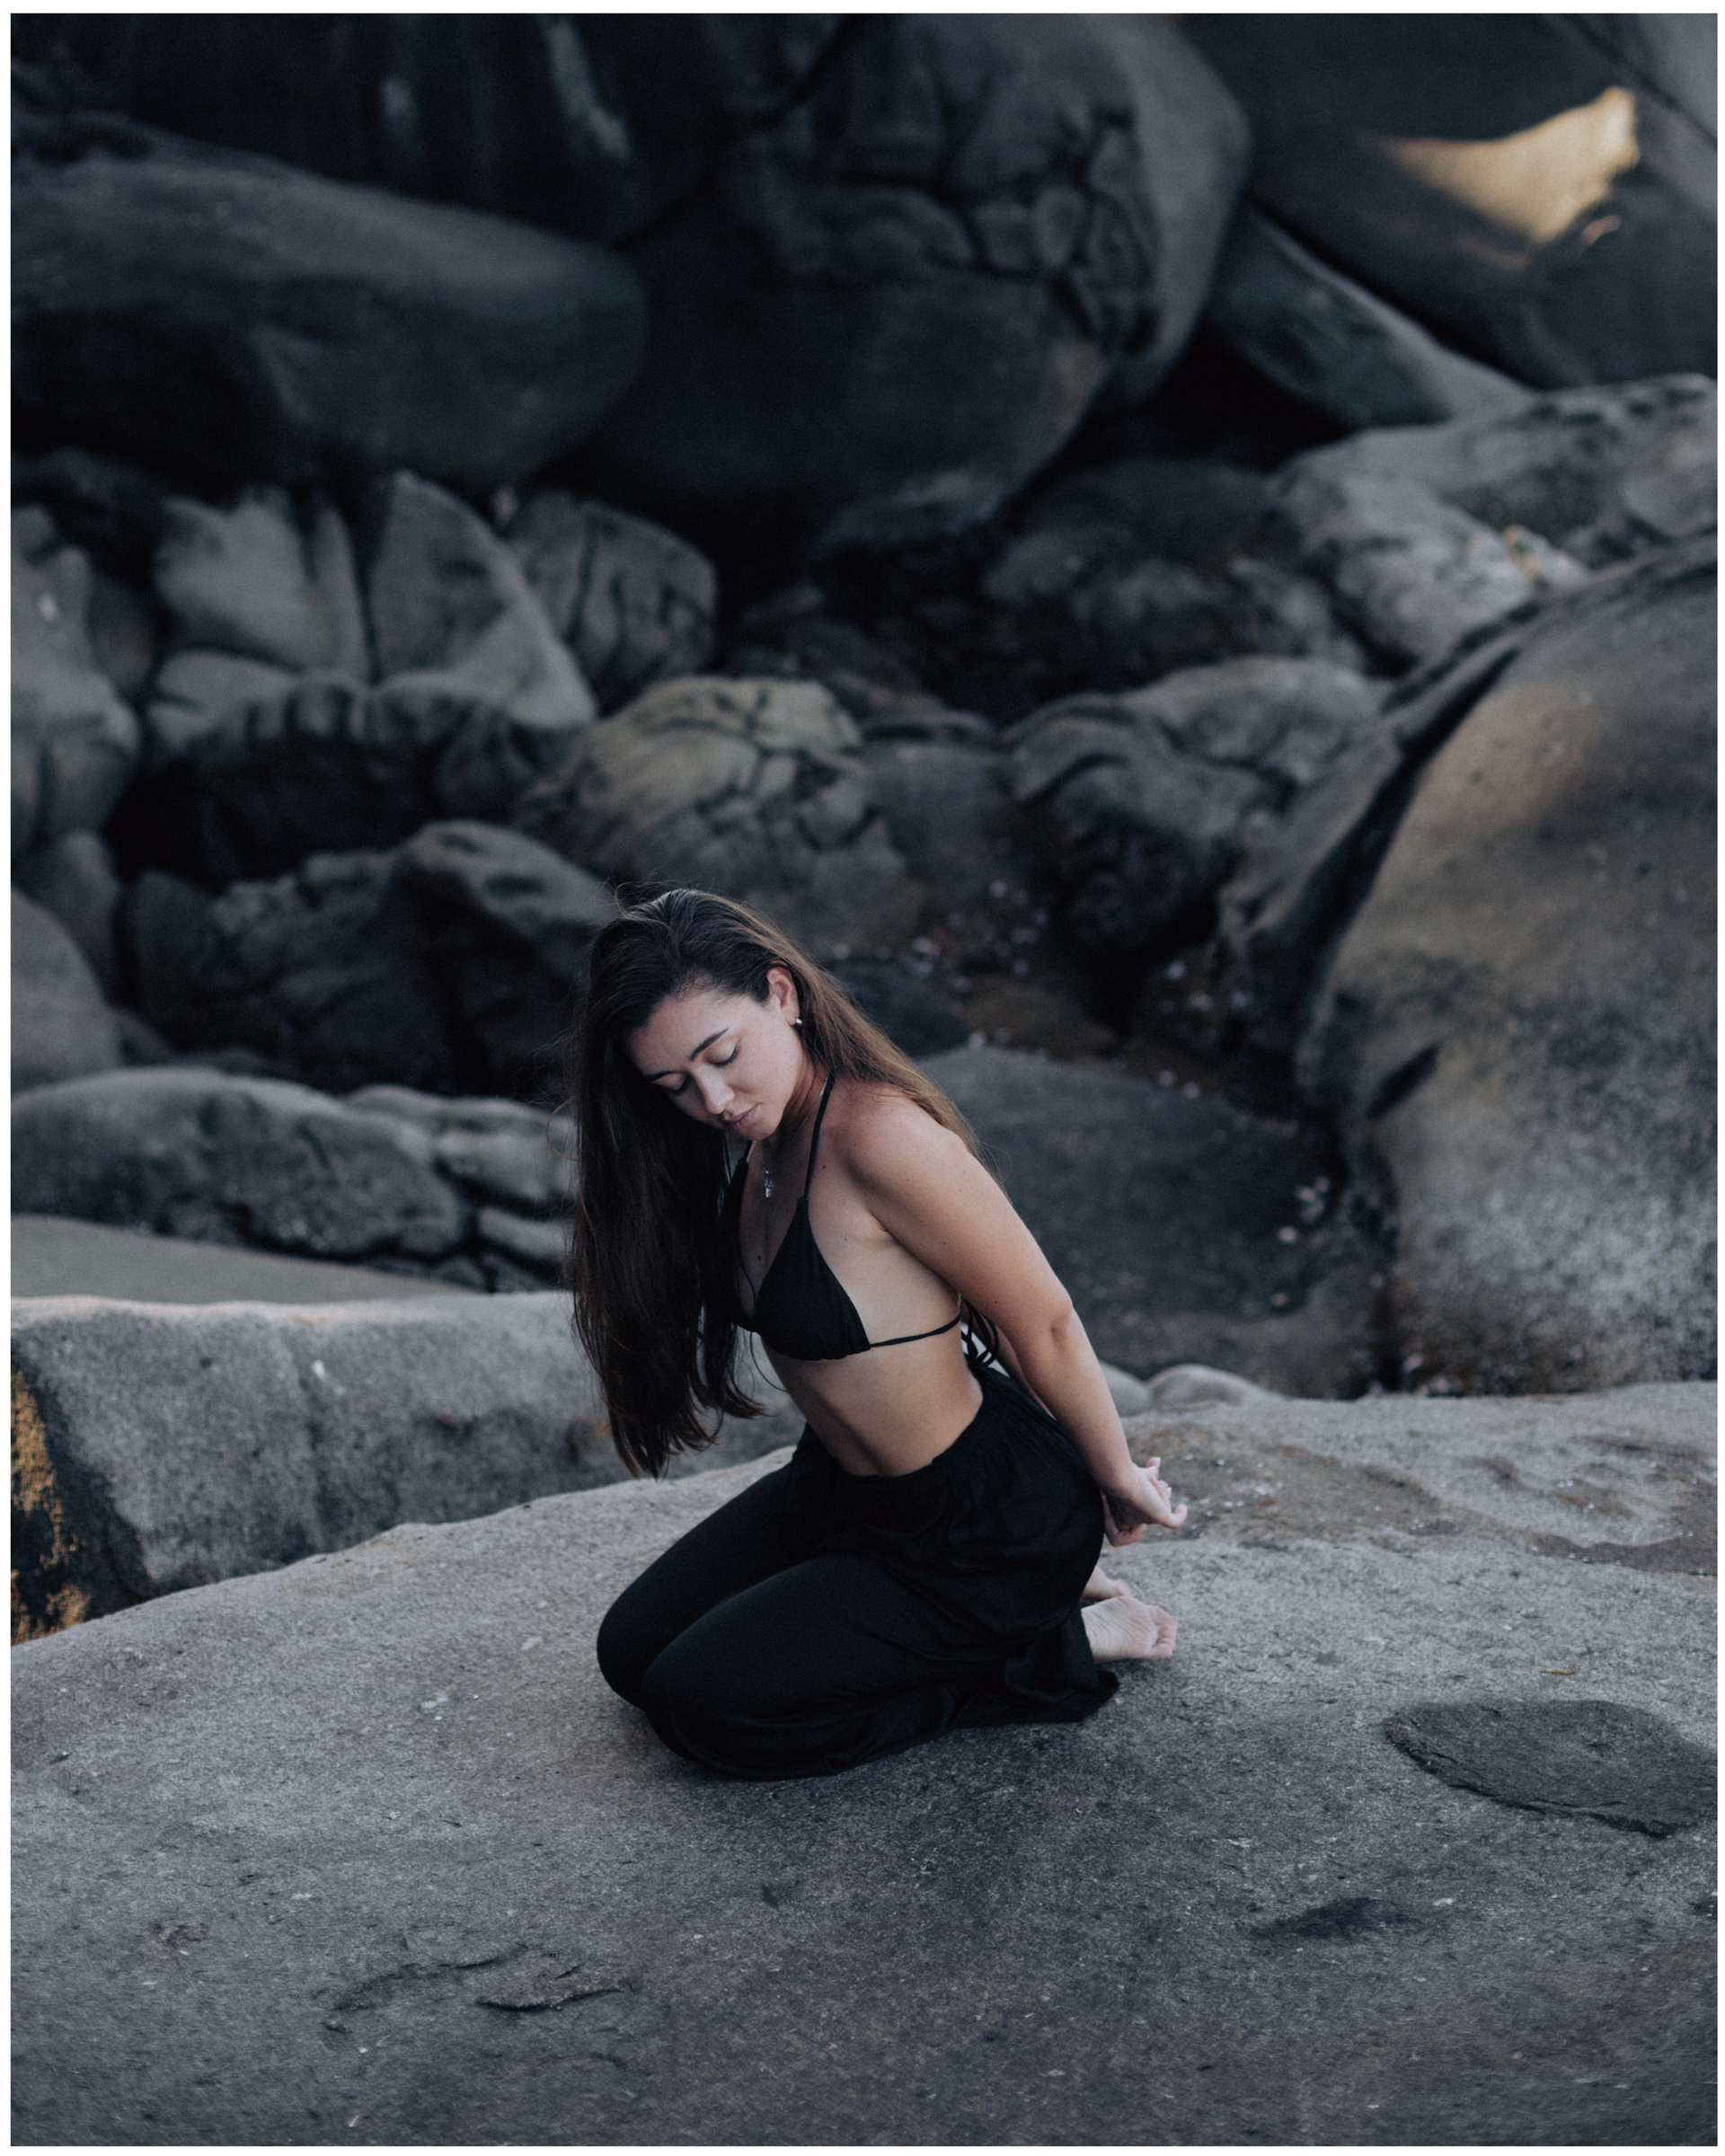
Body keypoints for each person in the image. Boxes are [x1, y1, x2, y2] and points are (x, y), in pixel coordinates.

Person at [571, 888, 1188, 1781]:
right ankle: (1000, 1621)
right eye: (675, 1086)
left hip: (980, 1529)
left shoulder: (882, 1138)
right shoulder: (765, 1143)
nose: (713, 1099)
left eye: (723, 1056)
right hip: (842, 1493)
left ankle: (1046, 1644)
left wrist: (1114, 1475)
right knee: (633, 1654)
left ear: (781, 993)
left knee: (702, 1706)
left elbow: (1041, 1319)